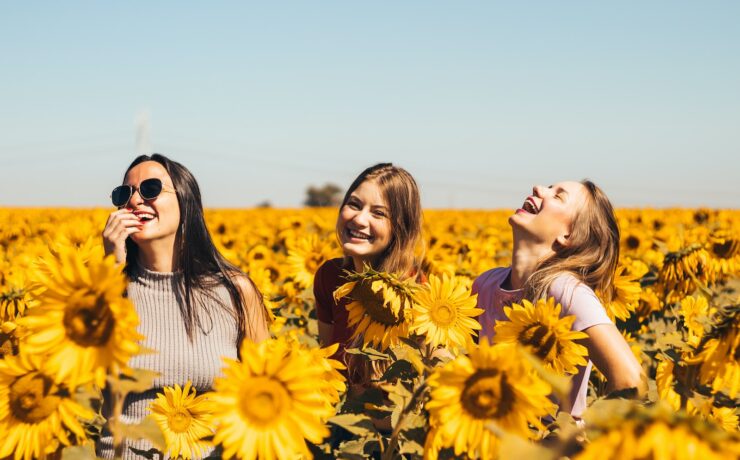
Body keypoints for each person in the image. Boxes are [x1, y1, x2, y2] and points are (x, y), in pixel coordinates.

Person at [98, 154, 270, 459]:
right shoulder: (102, 289)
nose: (135, 200)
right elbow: (85, 380)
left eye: (150, 189)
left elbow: (265, 392)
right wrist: (111, 270)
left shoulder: (234, 291)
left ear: (186, 200)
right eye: (124, 194)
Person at [472, 180, 645, 417]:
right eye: (548, 187)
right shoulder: (485, 285)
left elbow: (630, 380)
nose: (538, 189)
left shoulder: (565, 291)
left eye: (557, 196)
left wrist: (588, 439)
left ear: (568, 235)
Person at [313, 163, 424, 365]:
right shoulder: (330, 277)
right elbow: (327, 359)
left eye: (379, 213)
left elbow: (424, 373)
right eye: (354, 204)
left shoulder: (417, 291)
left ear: (400, 228)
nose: (360, 219)